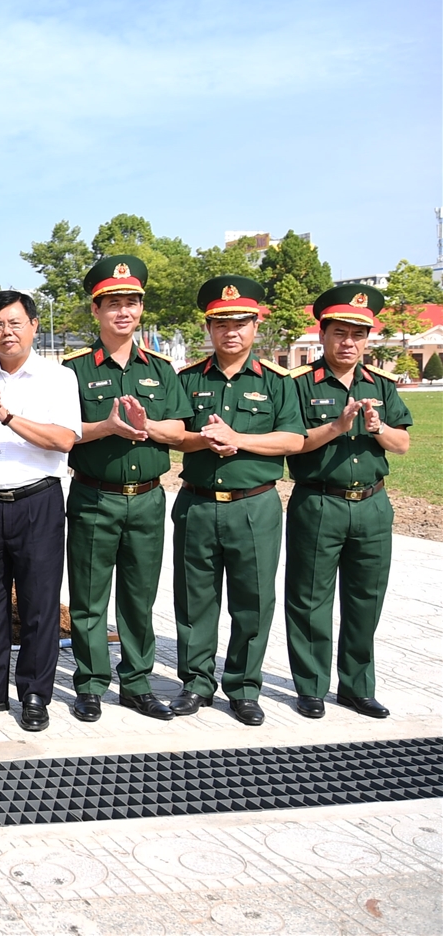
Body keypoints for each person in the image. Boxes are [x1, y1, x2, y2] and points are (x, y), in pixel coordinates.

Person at [62, 256, 190, 722]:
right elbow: (63, 431)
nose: (123, 312)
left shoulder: (161, 369)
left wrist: (146, 426)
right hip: (95, 495)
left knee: (139, 596)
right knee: (90, 597)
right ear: (96, 311)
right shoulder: (72, 370)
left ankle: (137, 682)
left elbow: (178, 430)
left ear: (140, 311)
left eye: (131, 303)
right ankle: (91, 684)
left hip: (149, 497)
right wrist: (107, 427)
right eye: (113, 303)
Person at [171, 276, 304, 726]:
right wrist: (202, 439)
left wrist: (238, 439)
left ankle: (244, 687)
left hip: (255, 504)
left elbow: (292, 439)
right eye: (221, 323)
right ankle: (195, 683)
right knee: (195, 599)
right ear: (208, 328)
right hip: (198, 501)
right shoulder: (187, 379)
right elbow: (174, 436)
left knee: (254, 599)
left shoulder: (278, 382)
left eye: (241, 323)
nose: (232, 331)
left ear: (255, 326)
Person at [0, 290, 80, 732]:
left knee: (40, 603)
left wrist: (5, 417)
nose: (6, 333)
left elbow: (63, 439)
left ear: (34, 326)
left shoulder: (58, 378)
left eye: (14, 323)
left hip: (38, 501)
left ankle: (35, 694)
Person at [284, 285, 411, 720]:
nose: (349, 343)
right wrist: (338, 426)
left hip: (373, 504)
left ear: (368, 339)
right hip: (320, 502)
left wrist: (376, 427)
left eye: (358, 335)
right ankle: (312, 687)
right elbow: (294, 443)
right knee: (309, 599)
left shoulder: (382, 385)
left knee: (366, 598)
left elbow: (403, 443)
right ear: (323, 334)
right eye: (340, 333)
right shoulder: (300, 385)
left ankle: (357, 686)